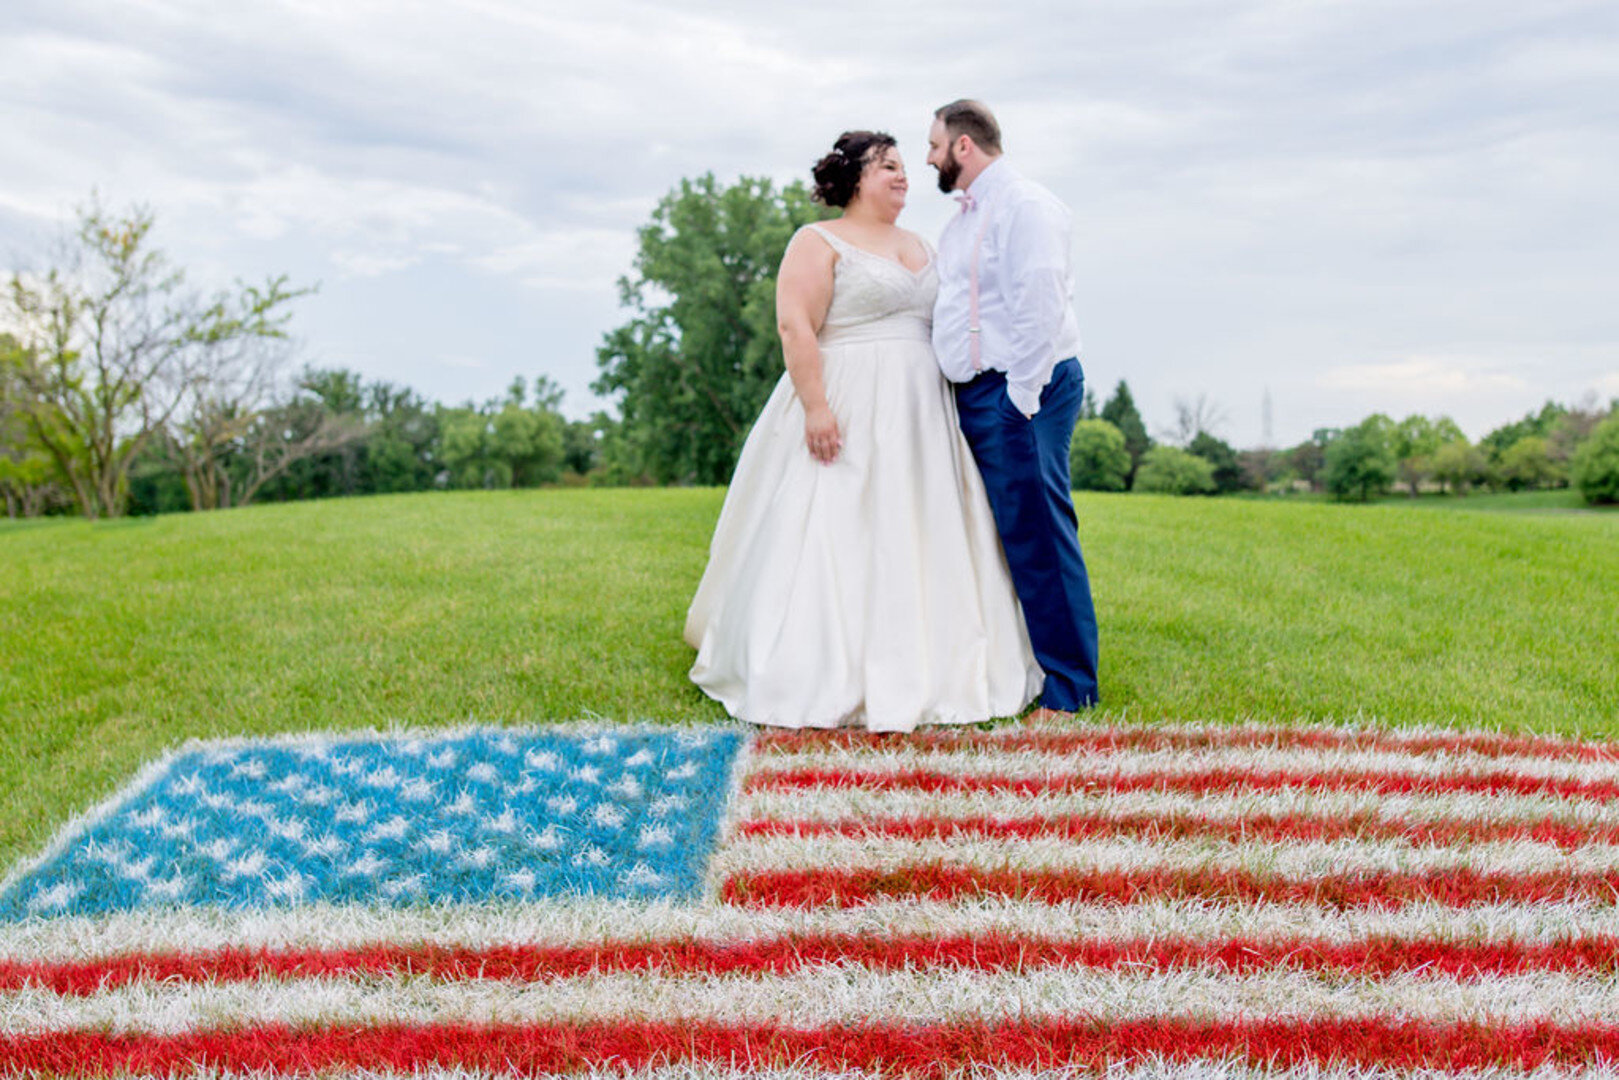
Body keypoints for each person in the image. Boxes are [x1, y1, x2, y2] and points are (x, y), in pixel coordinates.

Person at [683, 130, 1042, 732]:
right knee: (837, 523)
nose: (904, 176)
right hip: (845, 398)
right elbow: (796, 325)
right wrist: (817, 407)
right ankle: (818, 664)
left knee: (922, 525)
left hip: (923, 411)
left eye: (905, 166)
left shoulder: (923, 243)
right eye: (888, 167)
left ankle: (937, 656)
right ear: (853, 178)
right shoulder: (817, 240)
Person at [926, 99, 1101, 719]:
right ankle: (1030, 663)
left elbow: (1040, 304)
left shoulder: (1026, 206)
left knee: (1040, 536)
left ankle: (1070, 687)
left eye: (935, 145)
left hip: (1024, 391)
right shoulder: (965, 219)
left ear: (964, 146)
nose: (928, 158)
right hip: (983, 392)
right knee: (1008, 535)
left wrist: (1018, 402)